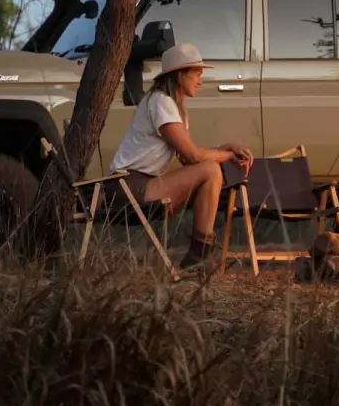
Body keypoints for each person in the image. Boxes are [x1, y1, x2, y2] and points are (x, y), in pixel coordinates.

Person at [109, 43, 254, 271]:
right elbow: (193, 155)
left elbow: (189, 159)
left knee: (209, 172)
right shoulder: (160, 102)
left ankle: (200, 255)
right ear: (180, 74)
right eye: (197, 74)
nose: (200, 81)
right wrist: (226, 155)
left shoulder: (172, 106)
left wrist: (226, 148)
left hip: (143, 186)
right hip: (128, 187)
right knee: (211, 170)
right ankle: (198, 256)